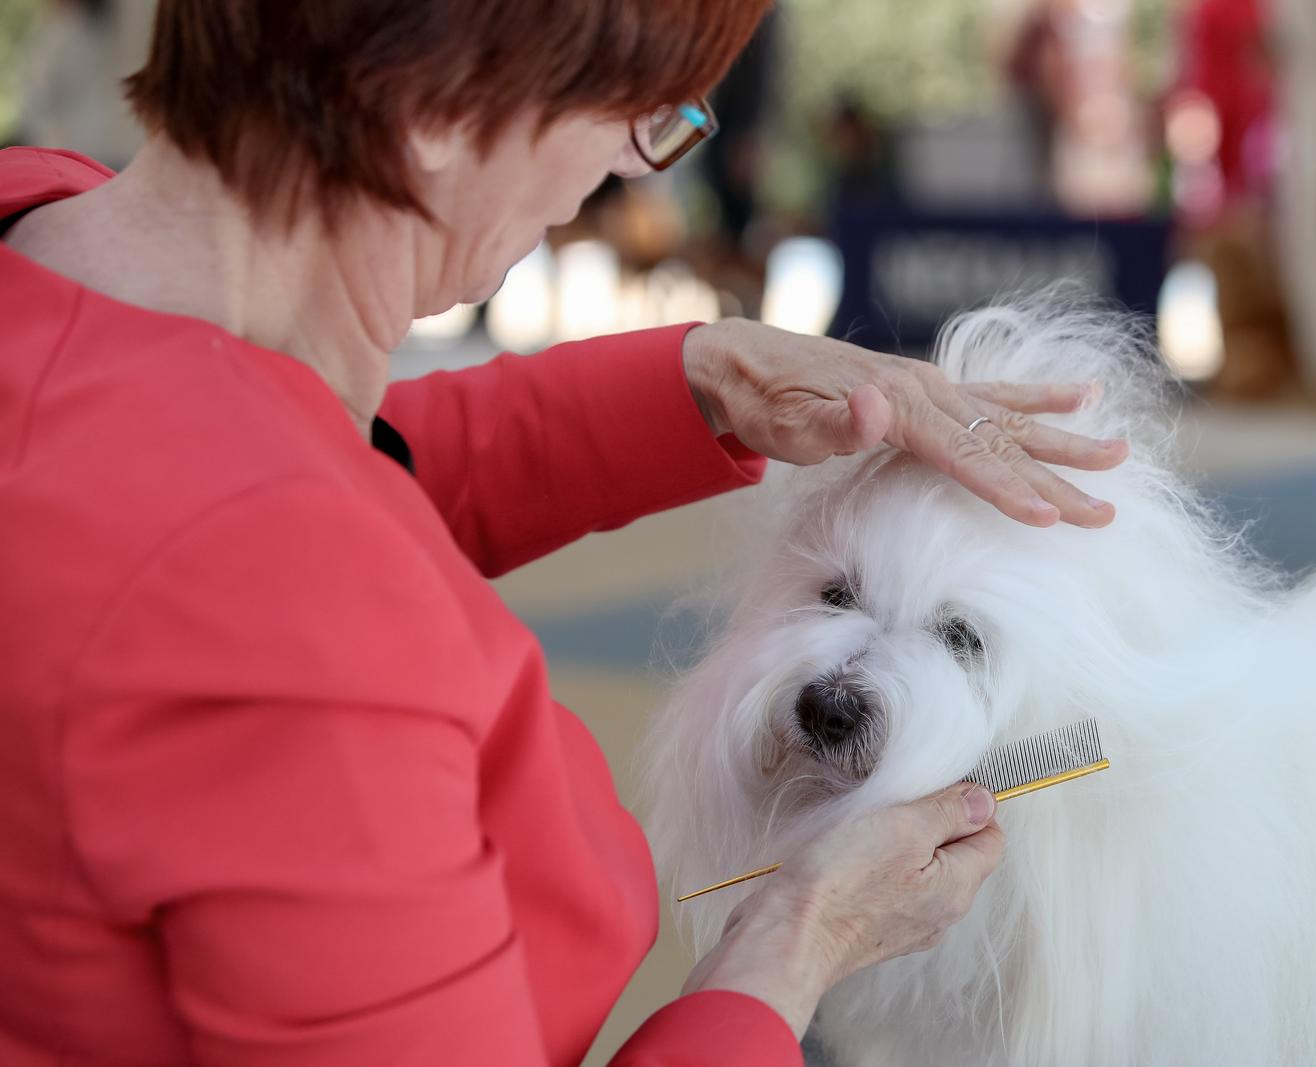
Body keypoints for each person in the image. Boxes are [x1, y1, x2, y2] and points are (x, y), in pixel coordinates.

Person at [0, 3, 1129, 1064]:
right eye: (638, 118)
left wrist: (694, 379)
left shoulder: (40, 235)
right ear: (439, 103)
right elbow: (243, 554)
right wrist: (790, 945)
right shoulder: (280, 614)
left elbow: (222, 456)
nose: (620, 176)